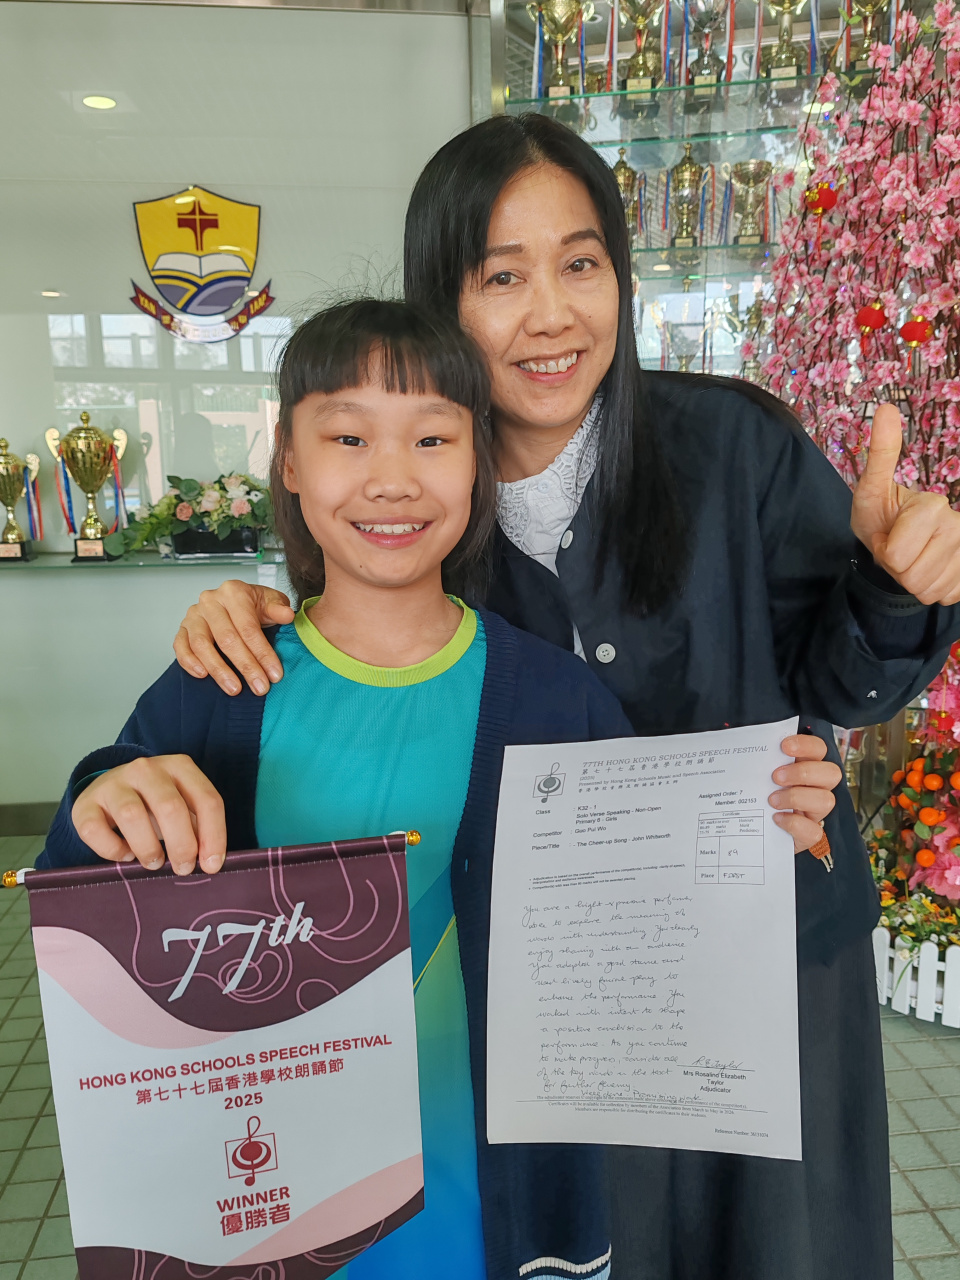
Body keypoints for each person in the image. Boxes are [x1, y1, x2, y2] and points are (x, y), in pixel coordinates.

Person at [170, 115, 960, 1280]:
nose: (552, 314)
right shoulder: (417, 503)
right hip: (560, 1017)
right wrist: (241, 629)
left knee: (774, 1250)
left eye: (581, 264)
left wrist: (895, 586)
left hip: (772, 961)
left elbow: (844, 681)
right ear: (443, 298)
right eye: (502, 277)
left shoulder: (733, 446)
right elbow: (360, 683)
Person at [37, 297, 841, 1280]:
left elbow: (658, 944)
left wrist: (761, 834)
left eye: (432, 437)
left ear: (477, 465)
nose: (392, 477)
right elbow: (83, 898)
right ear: (288, 461)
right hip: (267, 1225)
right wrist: (105, 796)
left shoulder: (557, 700)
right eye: (347, 436)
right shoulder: (222, 685)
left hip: (498, 1227)